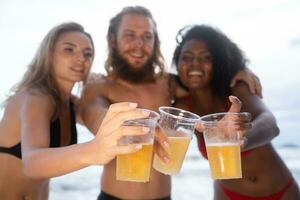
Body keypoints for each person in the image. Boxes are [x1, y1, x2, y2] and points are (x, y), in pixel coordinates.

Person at [81, 6, 263, 200]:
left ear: (155, 42)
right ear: (113, 40)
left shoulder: (167, 83)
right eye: (130, 35)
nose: (139, 44)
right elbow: (96, 119)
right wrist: (137, 126)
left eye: (147, 36)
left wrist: (238, 71)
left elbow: (205, 78)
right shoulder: (98, 86)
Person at [0, 22, 153, 200]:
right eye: (69, 49)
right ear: (49, 54)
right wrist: (93, 150)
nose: (81, 58)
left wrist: (143, 126)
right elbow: (32, 163)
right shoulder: (35, 97)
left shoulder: (69, 103)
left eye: (87, 53)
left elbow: (95, 116)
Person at [173, 24, 300, 199]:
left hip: (279, 192)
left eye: (206, 57)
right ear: (177, 63)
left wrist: (242, 138)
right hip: (226, 193)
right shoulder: (183, 106)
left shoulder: (235, 89)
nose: (195, 64)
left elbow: (270, 124)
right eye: (186, 57)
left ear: (217, 62)